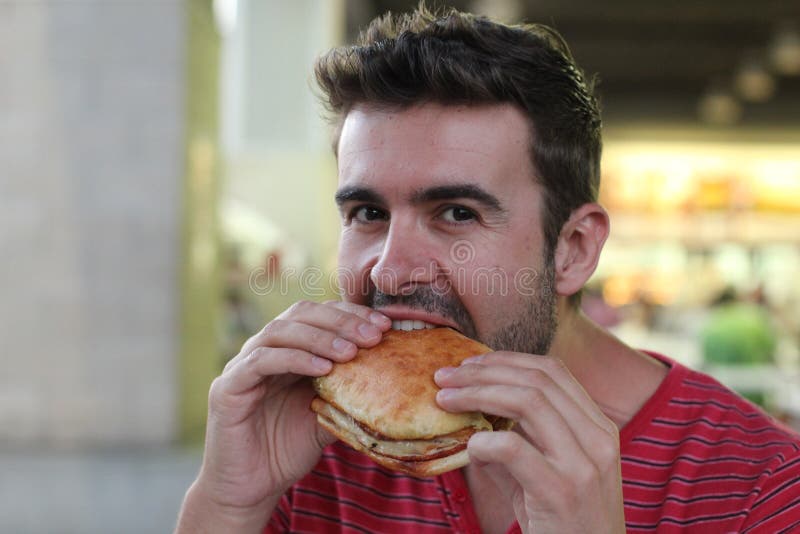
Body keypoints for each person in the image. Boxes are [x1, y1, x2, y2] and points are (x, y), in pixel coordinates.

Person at [176, 5, 800, 533]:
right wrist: (229, 505)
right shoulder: (317, 443)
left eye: (455, 212)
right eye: (367, 211)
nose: (390, 272)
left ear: (575, 249)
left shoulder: (762, 486)